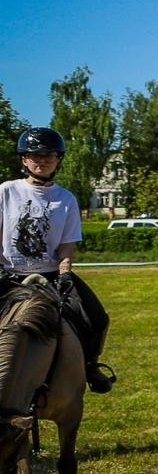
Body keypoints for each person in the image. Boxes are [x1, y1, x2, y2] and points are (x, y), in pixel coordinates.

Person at [0, 127, 116, 393]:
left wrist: (65, 273)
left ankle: (89, 366)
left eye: (49, 155)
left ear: (58, 159)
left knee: (96, 317)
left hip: (50, 275)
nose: (42, 160)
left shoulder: (66, 199)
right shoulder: (6, 191)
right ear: (23, 159)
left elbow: (66, 245)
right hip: (8, 274)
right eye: (35, 155)